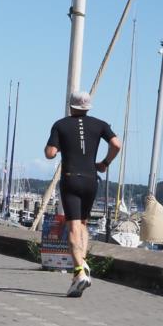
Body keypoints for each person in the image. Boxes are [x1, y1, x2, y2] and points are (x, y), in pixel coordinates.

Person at [44, 91, 121, 298]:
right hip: (90, 179)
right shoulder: (100, 124)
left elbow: (50, 153)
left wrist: (56, 147)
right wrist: (104, 163)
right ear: (88, 107)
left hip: (71, 179)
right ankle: (82, 267)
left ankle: (79, 271)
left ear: (70, 106)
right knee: (83, 224)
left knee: (73, 226)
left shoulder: (60, 124)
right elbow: (117, 144)